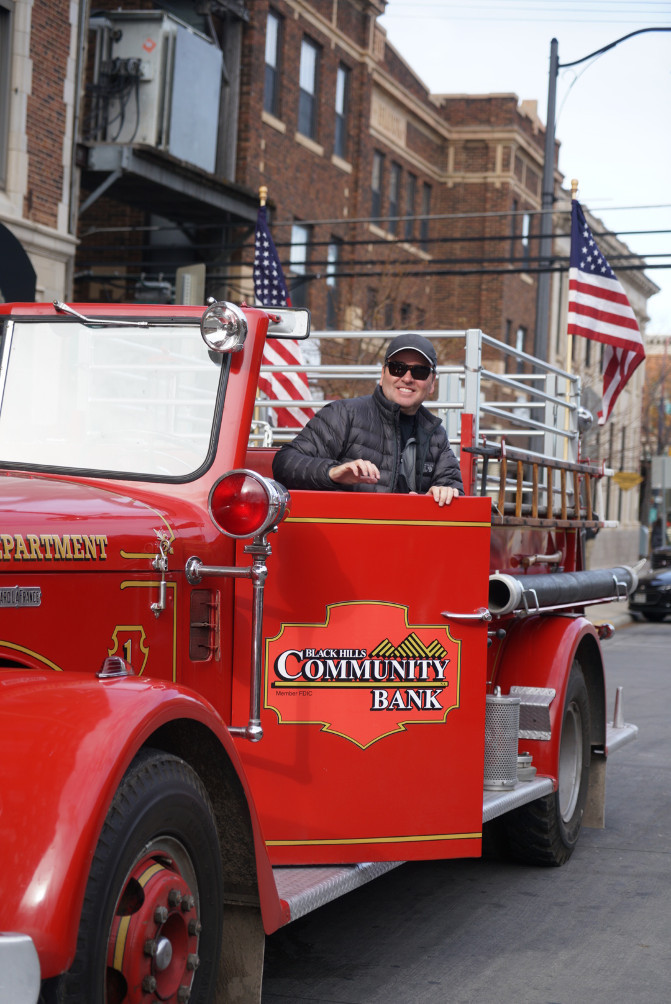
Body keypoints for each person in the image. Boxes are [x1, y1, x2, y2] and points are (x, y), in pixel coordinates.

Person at [272, 333, 463, 506]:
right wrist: (333, 473)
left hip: (408, 540)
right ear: (382, 375)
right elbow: (285, 463)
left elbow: (455, 493)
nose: (407, 378)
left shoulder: (436, 434)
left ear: (432, 384)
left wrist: (440, 495)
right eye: (397, 368)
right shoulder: (344, 414)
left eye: (419, 371)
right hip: (346, 538)